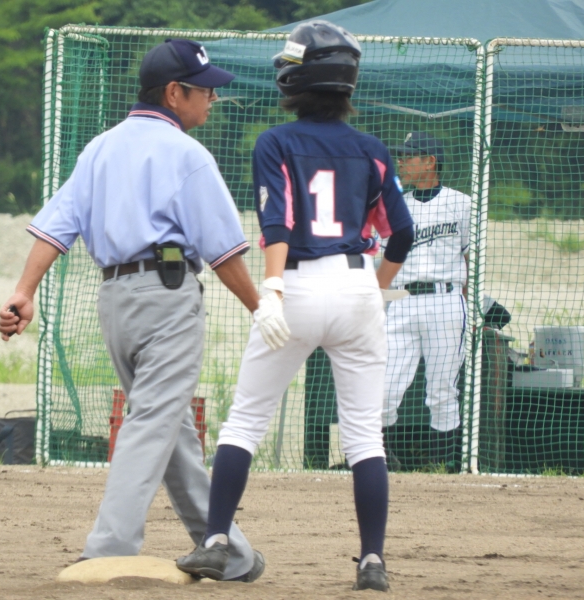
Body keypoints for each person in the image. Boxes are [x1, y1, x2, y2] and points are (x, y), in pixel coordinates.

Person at [0, 39, 289, 581]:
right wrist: (261, 307)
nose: (212, 99)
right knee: (153, 419)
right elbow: (223, 252)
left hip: (115, 301)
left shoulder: (99, 148)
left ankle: (230, 552)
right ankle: (108, 546)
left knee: (170, 428)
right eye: (204, 90)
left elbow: (56, 226)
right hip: (167, 297)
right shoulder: (187, 154)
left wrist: (24, 290)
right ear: (174, 93)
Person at [175, 21, 414, 592]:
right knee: (364, 437)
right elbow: (401, 234)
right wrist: (375, 289)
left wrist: (274, 290)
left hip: (298, 284)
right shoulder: (373, 149)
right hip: (357, 286)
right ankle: (372, 561)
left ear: (297, 79)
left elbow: (277, 223)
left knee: (246, 421)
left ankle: (216, 541)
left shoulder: (275, 142)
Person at [381, 131, 470, 473]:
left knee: (442, 390)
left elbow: (471, 260)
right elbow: (381, 260)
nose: (402, 162)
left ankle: (442, 467)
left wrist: (467, 307)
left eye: (410, 156)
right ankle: (380, 459)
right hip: (401, 300)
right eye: (401, 156)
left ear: (431, 161)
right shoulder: (393, 205)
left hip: (445, 300)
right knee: (384, 388)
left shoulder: (462, 203)